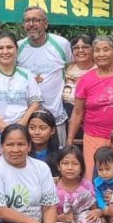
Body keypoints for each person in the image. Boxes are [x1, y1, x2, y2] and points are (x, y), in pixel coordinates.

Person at [68, 35, 113, 175]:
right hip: (94, 137)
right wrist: (70, 140)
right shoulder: (85, 80)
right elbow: (77, 112)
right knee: (95, 178)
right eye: (97, 50)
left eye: (106, 49)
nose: (101, 54)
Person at [0, 31, 41, 149]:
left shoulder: (27, 74)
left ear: (16, 50)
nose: (5, 51)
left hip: (23, 134)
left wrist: (19, 127)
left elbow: (35, 104)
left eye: (9, 47)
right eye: (0, 48)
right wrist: (5, 130)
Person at [18, 7, 72, 138]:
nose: (31, 24)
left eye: (36, 20)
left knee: (57, 156)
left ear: (46, 23)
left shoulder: (61, 44)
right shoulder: (18, 47)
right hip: (27, 117)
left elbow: (70, 68)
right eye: (27, 21)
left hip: (55, 116)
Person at [62, 34, 94, 125]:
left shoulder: (99, 69)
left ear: (93, 49)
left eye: (85, 47)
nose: (80, 50)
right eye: (76, 48)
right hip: (67, 115)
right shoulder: (65, 68)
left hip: (90, 115)